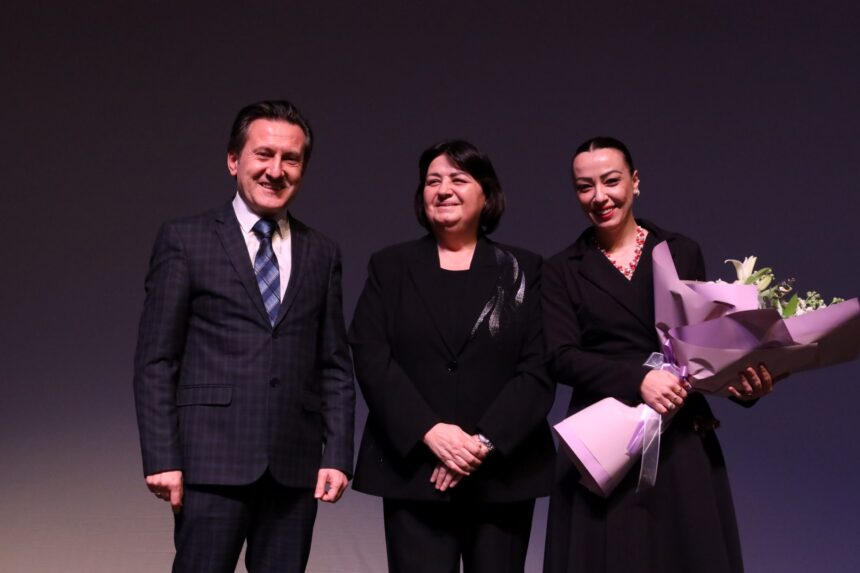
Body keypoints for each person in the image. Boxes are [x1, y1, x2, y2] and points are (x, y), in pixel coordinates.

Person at [133, 100, 355, 573]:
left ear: (303, 169)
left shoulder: (322, 252)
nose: (276, 170)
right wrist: (161, 456)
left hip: (294, 467)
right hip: (210, 463)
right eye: (263, 154)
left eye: (290, 159)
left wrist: (337, 454)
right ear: (234, 160)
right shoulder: (185, 240)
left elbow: (335, 364)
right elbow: (156, 360)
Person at [542, 136, 774, 573]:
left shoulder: (680, 251)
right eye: (584, 187)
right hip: (603, 441)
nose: (599, 197)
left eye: (611, 181)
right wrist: (639, 379)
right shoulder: (560, 269)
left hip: (680, 434)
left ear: (635, 182)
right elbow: (560, 356)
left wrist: (745, 388)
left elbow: (703, 345)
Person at [349, 140, 556, 573]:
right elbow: (371, 356)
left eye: (458, 179)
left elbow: (539, 368)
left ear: (486, 194)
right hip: (415, 471)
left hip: (502, 474)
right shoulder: (389, 266)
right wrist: (430, 431)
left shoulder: (524, 269)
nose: (443, 190)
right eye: (432, 181)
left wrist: (480, 444)